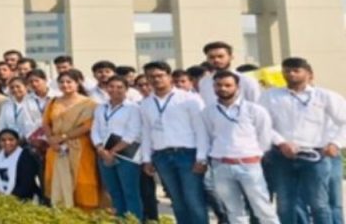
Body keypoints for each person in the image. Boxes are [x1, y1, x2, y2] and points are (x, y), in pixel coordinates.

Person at [261, 57, 346, 224]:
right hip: (282, 156)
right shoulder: (271, 96)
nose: (291, 74)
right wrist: (281, 142)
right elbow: (262, 125)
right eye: (287, 71)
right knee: (285, 204)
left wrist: (336, 143)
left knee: (319, 204)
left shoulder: (325, 96)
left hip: (315, 156)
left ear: (309, 74)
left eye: (296, 71)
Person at [202, 70, 279, 224]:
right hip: (221, 165)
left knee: (263, 208)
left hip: (249, 165)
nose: (223, 88)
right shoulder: (208, 112)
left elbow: (264, 136)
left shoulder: (254, 110)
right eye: (218, 85)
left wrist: (254, 155)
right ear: (214, 87)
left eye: (227, 85)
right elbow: (208, 137)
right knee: (233, 210)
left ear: (237, 87)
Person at [140, 60, 209, 224]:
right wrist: (146, 159)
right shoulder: (146, 103)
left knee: (194, 199)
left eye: (160, 75)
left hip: (187, 154)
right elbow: (146, 132)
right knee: (176, 200)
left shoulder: (189, 99)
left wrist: (202, 157)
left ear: (169, 76)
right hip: (161, 156)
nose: (156, 79)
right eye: (151, 77)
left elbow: (201, 130)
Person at [43, 71, 99, 210]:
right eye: (62, 82)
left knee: (82, 180)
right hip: (56, 148)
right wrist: (51, 140)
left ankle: (84, 215)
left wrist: (63, 137)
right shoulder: (53, 102)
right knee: (58, 181)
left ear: (77, 83)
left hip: (81, 147)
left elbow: (87, 126)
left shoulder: (89, 104)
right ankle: (61, 213)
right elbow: (46, 123)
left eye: (69, 82)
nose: (65, 85)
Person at [90, 76, 143, 222]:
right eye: (111, 86)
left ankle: (133, 220)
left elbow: (133, 133)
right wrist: (100, 149)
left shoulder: (133, 108)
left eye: (120, 87)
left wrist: (112, 152)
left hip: (126, 155)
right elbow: (95, 130)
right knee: (114, 192)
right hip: (103, 154)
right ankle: (120, 219)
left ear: (127, 89)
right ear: (107, 88)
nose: (115, 90)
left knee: (130, 192)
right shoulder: (101, 108)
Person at [198, 42, 262, 107]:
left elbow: (257, 105)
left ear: (231, 57)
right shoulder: (204, 82)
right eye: (211, 57)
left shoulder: (247, 81)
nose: (216, 60)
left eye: (220, 56)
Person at [0, 128, 42, 201]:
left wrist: (10, 198)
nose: (7, 142)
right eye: (3, 140)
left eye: (11, 139)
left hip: (22, 200)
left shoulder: (26, 157)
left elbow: (27, 183)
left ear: (17, 141)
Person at [0, 76, 42, 143]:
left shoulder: (34, 102)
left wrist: (28, 138)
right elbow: (1, 125)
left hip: (31, 141)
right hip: (10, 142)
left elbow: (39, 124)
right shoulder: (6, 105)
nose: (15, 89)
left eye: (18, 87)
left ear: (26, 87)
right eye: (12, 87)